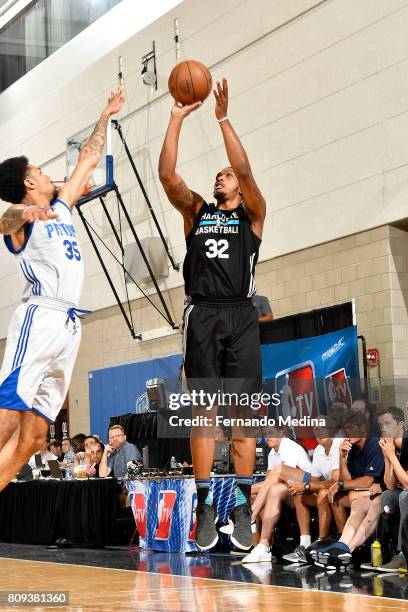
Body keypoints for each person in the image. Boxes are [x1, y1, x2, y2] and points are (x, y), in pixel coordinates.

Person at [0, 87, 126, 492]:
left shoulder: (63, 207)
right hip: (39, 316)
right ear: (28, 180)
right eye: (38, 168)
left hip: (69, 324)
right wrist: (24, 211)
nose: (45, 172)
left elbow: (89, 157)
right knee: (6, 419)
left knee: (34, 438)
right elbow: (4, 222)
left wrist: (105, 113)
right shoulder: (25, 219)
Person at [158, 78, 266, 551]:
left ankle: (240, 503)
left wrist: (222, 118)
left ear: (240, 189)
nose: (221, 177)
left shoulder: (254, 216)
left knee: (242, 420)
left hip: (241, 316)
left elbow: (244, 166)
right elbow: (167, 176)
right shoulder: (198, 212)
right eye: (219, 175)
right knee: (203, 415)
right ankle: (204, 502)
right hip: (202, 315)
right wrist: (177, 118)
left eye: (227, 176)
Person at [314, 410, 384, 569]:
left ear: (363, 429)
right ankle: (341, 545)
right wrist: (341, 457)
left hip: (380, 492)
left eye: (351, 428)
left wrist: (339, 485)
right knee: (338, 498)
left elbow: (367, 481)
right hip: (366, 494)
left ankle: (348, 549)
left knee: (354, 498)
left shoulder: (373, 443)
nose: (348, 432)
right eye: (345, 429)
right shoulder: (351, 448)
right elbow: (347, 480)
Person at [243, 430, 311, 563]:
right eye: (265, 434)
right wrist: (249, 491)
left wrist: (245, 490)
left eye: (271, 432)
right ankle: (260, 547)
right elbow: (269, 480)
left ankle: (249, 517)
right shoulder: (271, 453)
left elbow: (282, 477)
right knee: (256, 496)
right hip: (287, 488)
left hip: (306, 487)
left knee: (275, 482)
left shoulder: (288, 446)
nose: (268, 437)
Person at [282, 423, 343, 564]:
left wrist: (307, 485)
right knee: (299, 493)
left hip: (343, 490)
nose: (319, 432)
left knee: (321, 493)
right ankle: (305, 543)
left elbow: (335, 481)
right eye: (316, 429)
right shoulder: (318, 450)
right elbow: (315, 482)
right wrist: (303, 487)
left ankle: (322, 540)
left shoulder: (339, 445)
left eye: (323, 428)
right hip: (329, 492)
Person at [374, 406, 407, 573]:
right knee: (388, 495)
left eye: (387, 423)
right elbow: (390, 485)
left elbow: (407, 483)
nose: (384, 428)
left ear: (400, 424)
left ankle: (404, 554)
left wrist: (392, 456)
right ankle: (389, 550)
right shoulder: (392, 446)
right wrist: (388, 457)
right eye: (381, 425)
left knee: (405, 496)